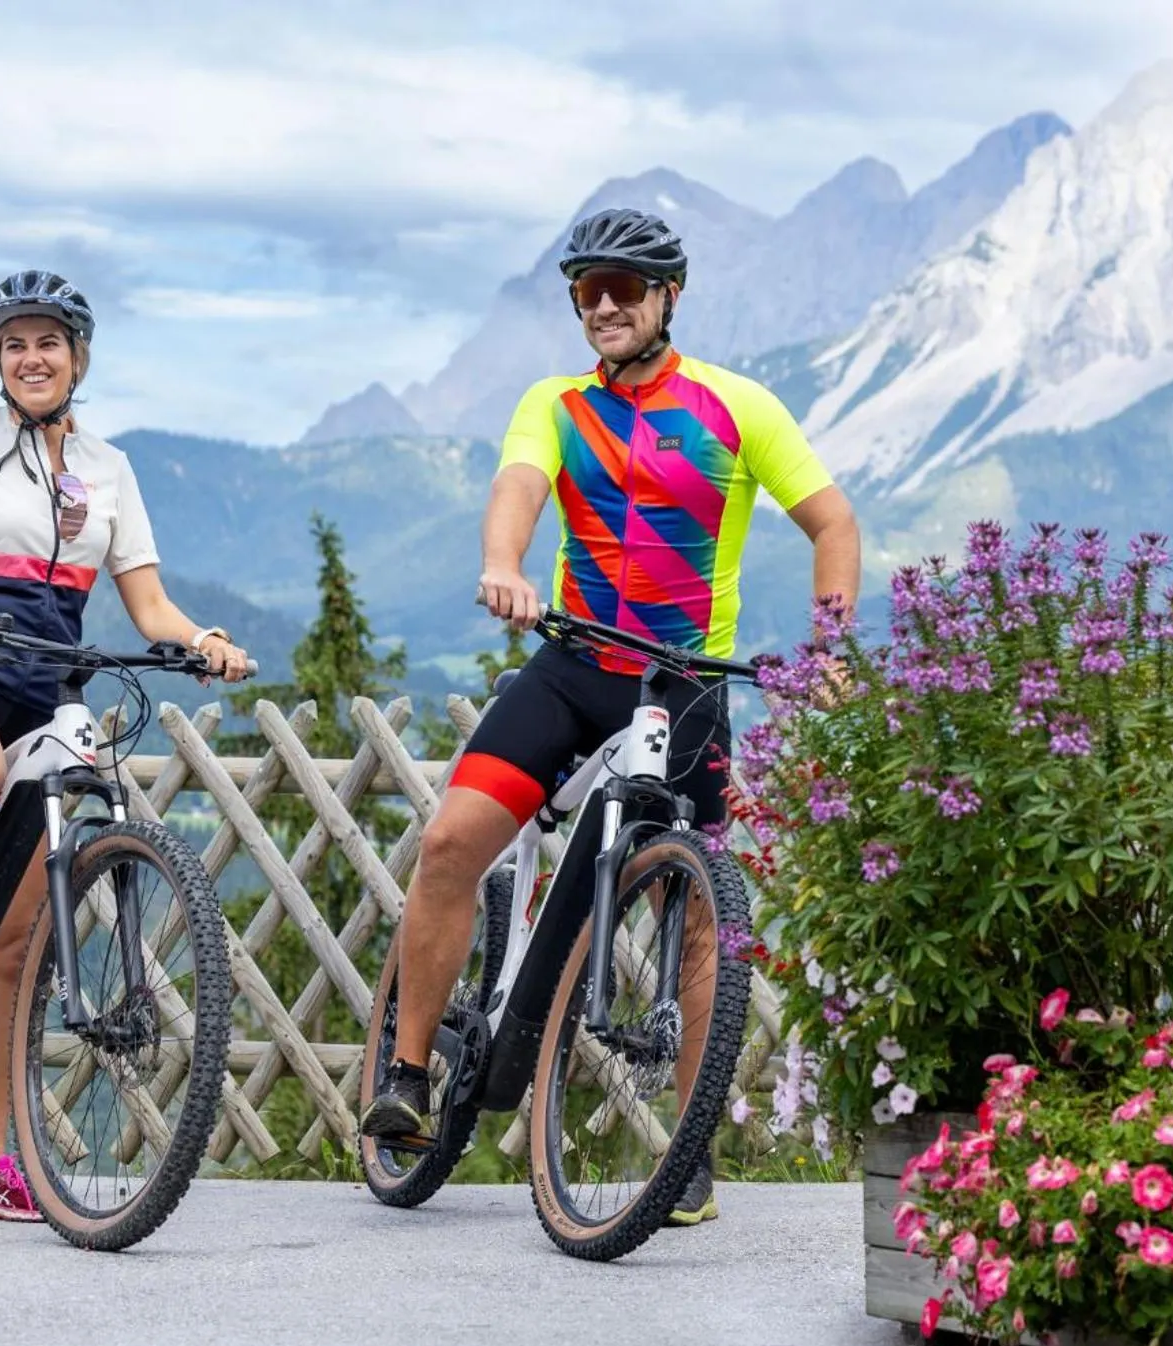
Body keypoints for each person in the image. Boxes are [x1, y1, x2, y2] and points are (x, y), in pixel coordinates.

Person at [362, 209, 862, 1226]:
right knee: (453, 839)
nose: (604, 306)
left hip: (684, 685)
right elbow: (517, 486)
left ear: (668, 296)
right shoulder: (553, 404)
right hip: (573, 667)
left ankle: (687, 1155)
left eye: (625, 288)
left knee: (698, 920)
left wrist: (832, 648)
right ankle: (407, 1074)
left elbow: (831, 523)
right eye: (587, 289)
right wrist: (502, 563)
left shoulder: (737, 406)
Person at [0, 269, 249, 1221]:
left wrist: (204, 643)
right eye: (15, 343)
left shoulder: (108, 469)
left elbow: (146, 603)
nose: (32, 357)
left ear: (78, 358)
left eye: (49, 342)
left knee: (13, 946)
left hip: (44, 686)